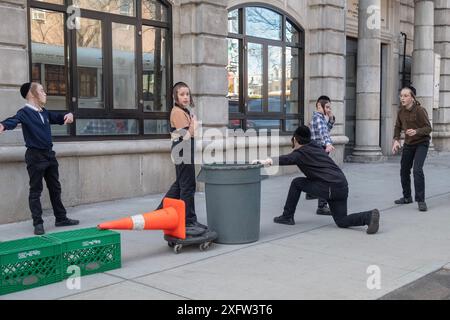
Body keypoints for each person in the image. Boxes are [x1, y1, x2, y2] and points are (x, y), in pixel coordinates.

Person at [254, 125, 380, 234]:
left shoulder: (300, 154)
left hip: (329, 187)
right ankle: (368, 216)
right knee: (341, 221)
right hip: (341, 185)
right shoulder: (315, 145)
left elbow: (285, 159)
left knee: (297, 183)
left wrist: (266, 161)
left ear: (295, 139)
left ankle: (287, 216)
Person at [0, 82, 79, 235]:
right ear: (32, 94)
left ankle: (61, 218)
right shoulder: (24, 112)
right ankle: (38, 223)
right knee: (36, 190)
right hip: (35, 156)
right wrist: (2, 126)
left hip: (49, 154)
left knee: (55, 187)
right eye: (42, 90)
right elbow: (12, 121)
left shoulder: (44, 112)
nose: (45, 93)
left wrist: (68, 116)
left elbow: (58, 117)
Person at [156, 82, 206, 229]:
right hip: (182, 149)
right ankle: (189, 220)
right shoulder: (177, 112)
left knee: (180, 184)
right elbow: (186, 136)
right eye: (182, 94)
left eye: (187, 94)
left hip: (183, 150)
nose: (185, 97)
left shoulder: (184, 111)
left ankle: (160, 211)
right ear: (175, 97)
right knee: (188, 186)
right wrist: (194, 125)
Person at [392, 86, 432, 212]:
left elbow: (428, 128)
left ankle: (421, 200)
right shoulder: (401, 111)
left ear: (412, 98)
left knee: (417, 170)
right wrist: (396, 140)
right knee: (404, 169)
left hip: (421, 143)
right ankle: (407, 197)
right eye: (401, 95)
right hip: (409, 144)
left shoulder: (420, 110)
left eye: (405, 96)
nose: (402, 98)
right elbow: (397, 127)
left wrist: (416, 131)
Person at [306, 95, 336, 215]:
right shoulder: (318, 119)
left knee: (319, 176)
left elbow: (326, 130)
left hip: (319, 150)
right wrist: (328, 144)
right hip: (320, 150)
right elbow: (324, 134)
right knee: (325, 177)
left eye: (329, 107)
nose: (329, 110)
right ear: (319, 106)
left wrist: (331, 119)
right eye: (327, 107)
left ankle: (311, 192)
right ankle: (322, 206)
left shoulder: (320, 118)